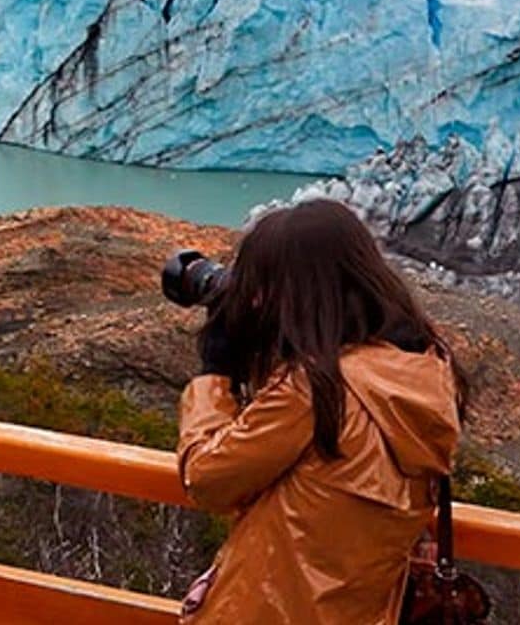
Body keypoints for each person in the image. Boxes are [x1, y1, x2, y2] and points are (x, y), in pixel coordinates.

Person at [176, 198, 463, 624]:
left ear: (297, 295)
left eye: (262, 290)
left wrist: (214, 375)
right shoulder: (425, 370)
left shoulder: (315, 390)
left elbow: (206, 479)